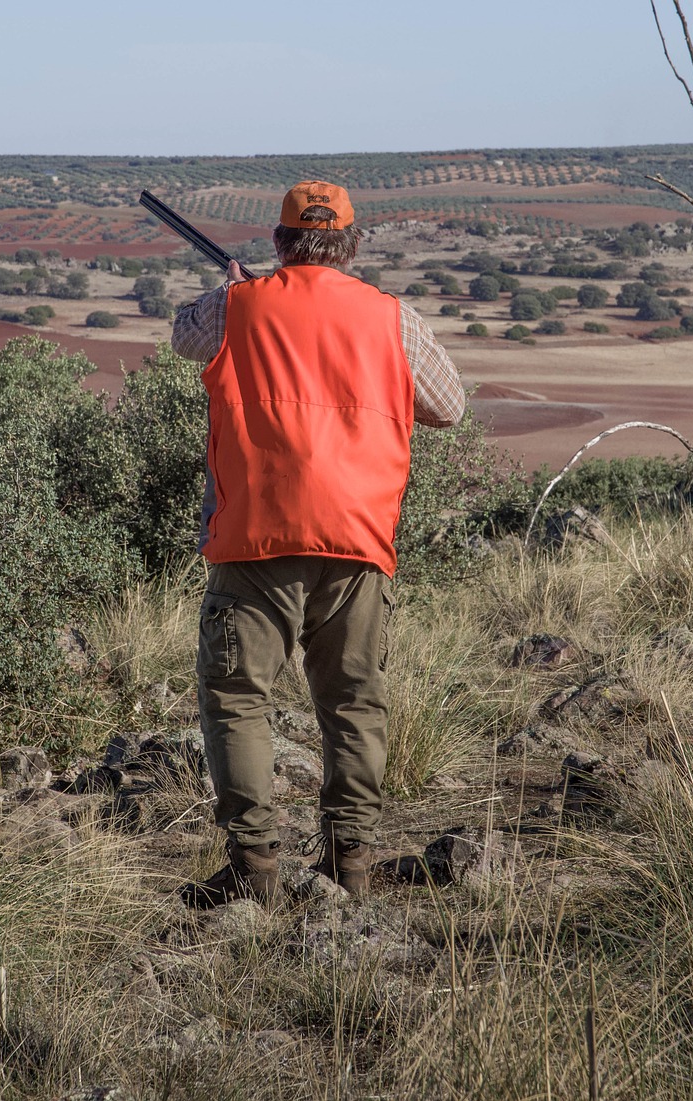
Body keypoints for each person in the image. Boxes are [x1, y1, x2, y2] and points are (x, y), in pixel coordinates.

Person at [168, 180, 465, 907]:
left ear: (278, 240)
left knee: (238, 698)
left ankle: (255, 869)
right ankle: (350, 866)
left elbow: (182, 335)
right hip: (358, 539)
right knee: (354, 702)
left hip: (255, 538)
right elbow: (449, 407)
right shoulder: (393, 320)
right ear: (353, 245)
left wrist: (237, 291)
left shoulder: (236, 307)